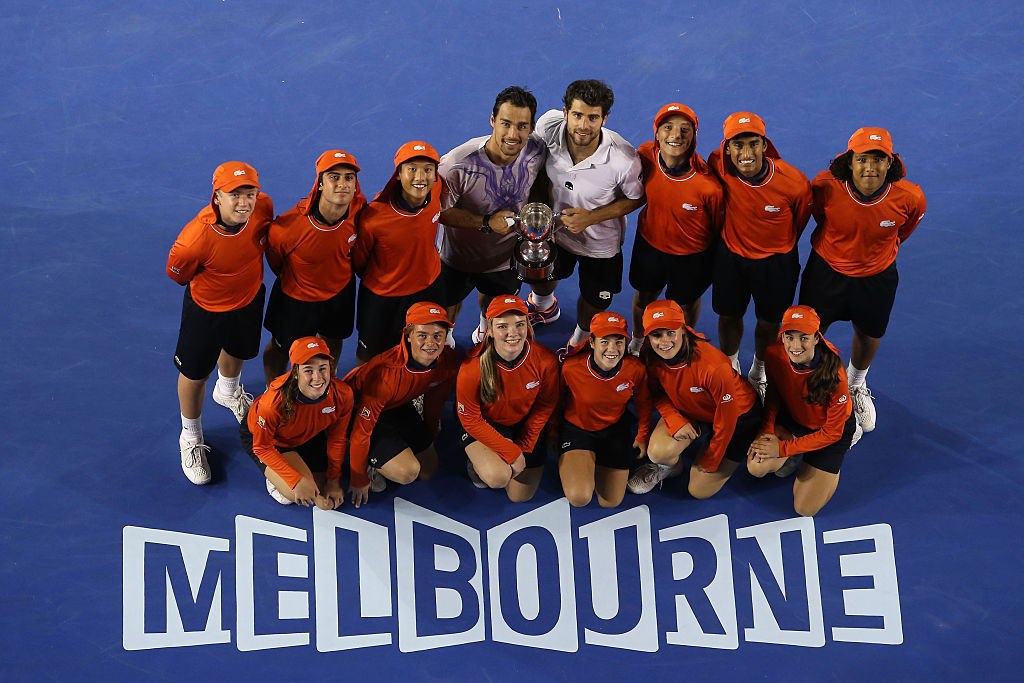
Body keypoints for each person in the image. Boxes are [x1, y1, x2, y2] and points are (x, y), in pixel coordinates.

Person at [798, 128, 926, 432]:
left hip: (876, 278)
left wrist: (871, 254)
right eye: (862, 158)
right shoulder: (825, 187)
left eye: (879, 159)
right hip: (826, 272)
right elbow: (820, 217)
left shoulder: (910, 197)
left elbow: (901, 233)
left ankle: (855, 385)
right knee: (813, 331)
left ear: (890, 163)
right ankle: (811, 382)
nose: (870, 167)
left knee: (869, 334)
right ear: (849, 162)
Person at [167, 161, 274, 485]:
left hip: (249, 299)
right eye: (235, 194)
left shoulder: (263, 208)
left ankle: (228, 392)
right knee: (195, 374)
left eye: (250, 193)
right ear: (217, 197)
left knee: (239, 349)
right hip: (206, 311)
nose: (245, 202)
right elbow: (177, 273)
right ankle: (190, 436)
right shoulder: (195, 238)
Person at [525, 79, 645, 359]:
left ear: (605, 117)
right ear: (565, 112)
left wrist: (592, 217)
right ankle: (544, 307)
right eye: (577, 115)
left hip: (600, 245)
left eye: (593, 117)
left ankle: (579, 339)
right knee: (540, 275)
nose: (583, 125)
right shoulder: (548, 126)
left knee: (594, 299)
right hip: (556, 234)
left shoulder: (623, 158)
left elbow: (636, 197)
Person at [708, 112, 812, 398]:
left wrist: (772, 247)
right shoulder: (717, 164)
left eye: (753, 144)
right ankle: (729, 368)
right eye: (737, 145)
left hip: (776, 264)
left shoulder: (795, 183)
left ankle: (758, 372)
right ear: (727, 148)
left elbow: (799, 222)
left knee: (769, 321)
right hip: (731, 258)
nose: (746, 153)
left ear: (765, 145)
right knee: (728, 316)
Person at [436, 86, 548, 346]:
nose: (512, 134)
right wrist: (486, 222)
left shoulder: (536, 151)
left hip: (505, 257)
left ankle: (485, 330)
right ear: (492, 120)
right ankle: (448, 339)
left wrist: (536, 216)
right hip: (457, 257)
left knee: (494, 302)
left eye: (522, 126)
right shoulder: (456, 164)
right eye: (505, 123)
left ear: (531, 127)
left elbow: (540, 182)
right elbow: (440, 213)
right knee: (449, 305)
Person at [628, 299, 761, 499]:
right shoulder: (649, 354)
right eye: (656, 335)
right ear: (647, 336)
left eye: (671, 332)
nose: (664, 342)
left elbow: (727, 420)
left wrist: (711, 459)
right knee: (657, 452)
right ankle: (669, 468)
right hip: (691, 409)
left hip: (737, 417)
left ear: (683, 329)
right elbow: (655, 391)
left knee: (698, 490)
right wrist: (673, 418)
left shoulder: (713, 366)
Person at [262, 150, 367, 384]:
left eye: (349, 177)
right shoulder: (287, 228)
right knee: (280, 349)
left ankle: (327, 381)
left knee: (333, 340)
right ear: (320, 183)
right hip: (296, 300)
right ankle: (275, 391)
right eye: (334, 177)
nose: (342, 184)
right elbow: (276, 262)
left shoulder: (359, 207)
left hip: (340, 293)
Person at [747, 305, 862, 517]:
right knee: (756, 466)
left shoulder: (835, 373)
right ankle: (795, 454)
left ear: (817, 338)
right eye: (789, 337)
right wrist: (766, 431)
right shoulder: (774, 352)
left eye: (804, 338)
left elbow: (832, 433)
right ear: (782, 336)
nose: (795, 345)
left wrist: (782, 449)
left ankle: (830, 461)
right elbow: (773, 395)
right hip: (793, 420)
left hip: (830, 432)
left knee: (804, 509)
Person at [628, 103, 724, 355]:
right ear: (656, 133)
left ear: (693, 136)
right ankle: (638, 339)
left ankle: (686, 341)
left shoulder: (708, 186)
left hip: (691, 256)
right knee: (644, 297)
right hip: (650, 245)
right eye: (667, 127)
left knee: (686, 302)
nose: (675, 135)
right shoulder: (645, 155)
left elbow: (717, 226)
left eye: (685, 129)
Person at [343, 302, 460, 507]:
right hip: (355, 411)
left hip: (397, 404)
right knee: (408, 472)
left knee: (427, 469)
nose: (431, 342)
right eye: (422, 335)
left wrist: (430, 431)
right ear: (408, 335)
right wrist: (358, 477)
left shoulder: (448, 362)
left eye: (438, 335)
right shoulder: (384, 374)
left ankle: (390, 452)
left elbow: (436, 400)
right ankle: (372, 464)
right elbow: (361, 433)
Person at [456, 295, 559, 502]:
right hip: (486, 424)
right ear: (490, 331)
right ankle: (476, 461)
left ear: (528, 326)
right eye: (503, 326)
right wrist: (512, 453)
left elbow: (545, 405)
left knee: (519, 497)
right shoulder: (471, 368)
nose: (513, 333)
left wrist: (525, 444)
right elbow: (470, 420)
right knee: (498, 477)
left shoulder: (545, 360)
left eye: (519, 324)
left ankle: (498, 457)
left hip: (525, 424)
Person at [351, 141, 445, 364]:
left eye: (427, 170)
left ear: (435, 176)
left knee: (424, 348)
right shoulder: (374, 217)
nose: (420, 177)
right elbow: (360, 261)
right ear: (398, 175)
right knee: (370, 354)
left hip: (428, 286)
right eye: (412, 169)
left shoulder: (437, 188)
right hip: (384, 298)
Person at [241, 337, 352, 508]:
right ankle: (275, 480)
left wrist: (334, 480)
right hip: (273, 442)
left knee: (326, 502)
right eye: (308, 370)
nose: (317, 378)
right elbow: (262, 447)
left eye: (323, 368)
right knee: (296, 494)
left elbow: (337, 439)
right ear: (295, 372)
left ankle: (290, 473)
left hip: (310, 433)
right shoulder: (272, 404)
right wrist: (294, 480)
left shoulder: (343, 394)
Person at [557, 312, 652, 507]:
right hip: (577, 431)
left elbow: (643, 402)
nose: (612, 349)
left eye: (619, 342)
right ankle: (579, 461)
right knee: (579, 498)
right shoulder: (571, 368)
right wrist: (552, 432)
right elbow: (555, 401)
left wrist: (642, 435)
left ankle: (592, 462)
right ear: (591, 342)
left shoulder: (635, 369)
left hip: (615, 429)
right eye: (604, 341)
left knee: (611, 501)